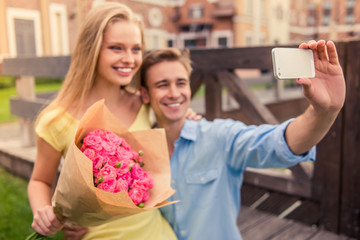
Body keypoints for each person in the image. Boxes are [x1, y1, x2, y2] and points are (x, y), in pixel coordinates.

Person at [138, 41, 346, 240]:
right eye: (162, 85)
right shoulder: (138, 151)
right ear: (145, 94)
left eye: (181, 82)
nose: (174, 93)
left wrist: (322, 111)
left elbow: (277, 145)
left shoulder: (218, 136)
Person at [27, 2, 181, 240]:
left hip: (157, 233)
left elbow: (173, 122)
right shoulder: (57, 119)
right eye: (116, 48)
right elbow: (40, 180)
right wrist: (43, 212)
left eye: (136, 48)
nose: (129, 58)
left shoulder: (144, 104)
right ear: (92, 49)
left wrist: (185, 116)